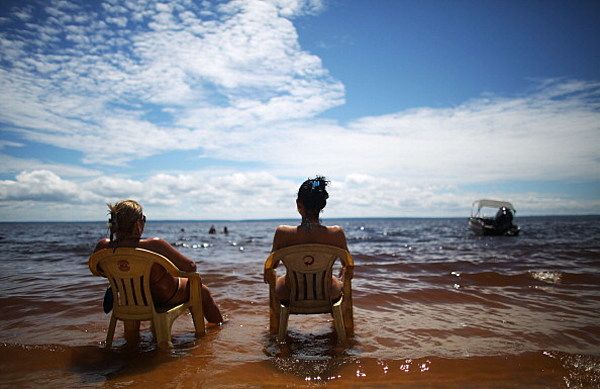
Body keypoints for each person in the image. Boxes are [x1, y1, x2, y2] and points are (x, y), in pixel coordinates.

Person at [93, 199, 223, 325]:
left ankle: (132, 340)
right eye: (143, 219)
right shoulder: (155, 244)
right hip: (164, 297)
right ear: (138, 224)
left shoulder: (102, 246)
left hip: (131, 299)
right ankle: (218, 327)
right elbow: (190, 267)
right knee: (201, 290)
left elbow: (97, 270)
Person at [265, 176, 352, 301]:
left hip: (290, 294)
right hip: (327, 294)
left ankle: (278, 320)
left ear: (298, 204)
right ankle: (339, 319)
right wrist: (342, 277)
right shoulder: (337, 233)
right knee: (335, 281)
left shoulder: (282, 233)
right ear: (323, 205)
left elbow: (271, 267)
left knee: (280, 280)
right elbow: (348, 268)